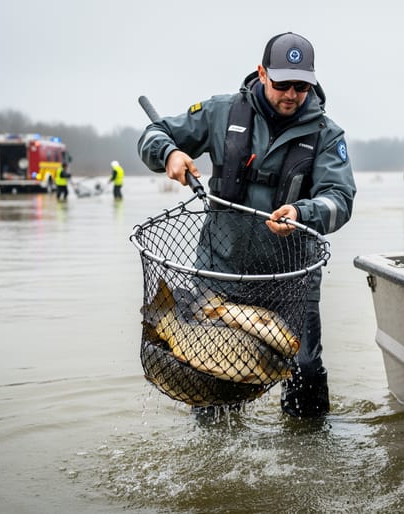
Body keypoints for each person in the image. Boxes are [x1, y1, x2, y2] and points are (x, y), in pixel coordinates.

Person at [137, 32, 356, 417]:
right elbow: (154, 135)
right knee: (211, 379)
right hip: (219, 274)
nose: (291, 93)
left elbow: (340, 199)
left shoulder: (327, 134)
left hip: (291, 283)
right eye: (283, 83)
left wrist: (303, 212)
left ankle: (306, 453)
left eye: (301, 86)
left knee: (303, 369)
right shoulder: (221, 112)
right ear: (262, 73)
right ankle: (215, 462)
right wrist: (168, 153)